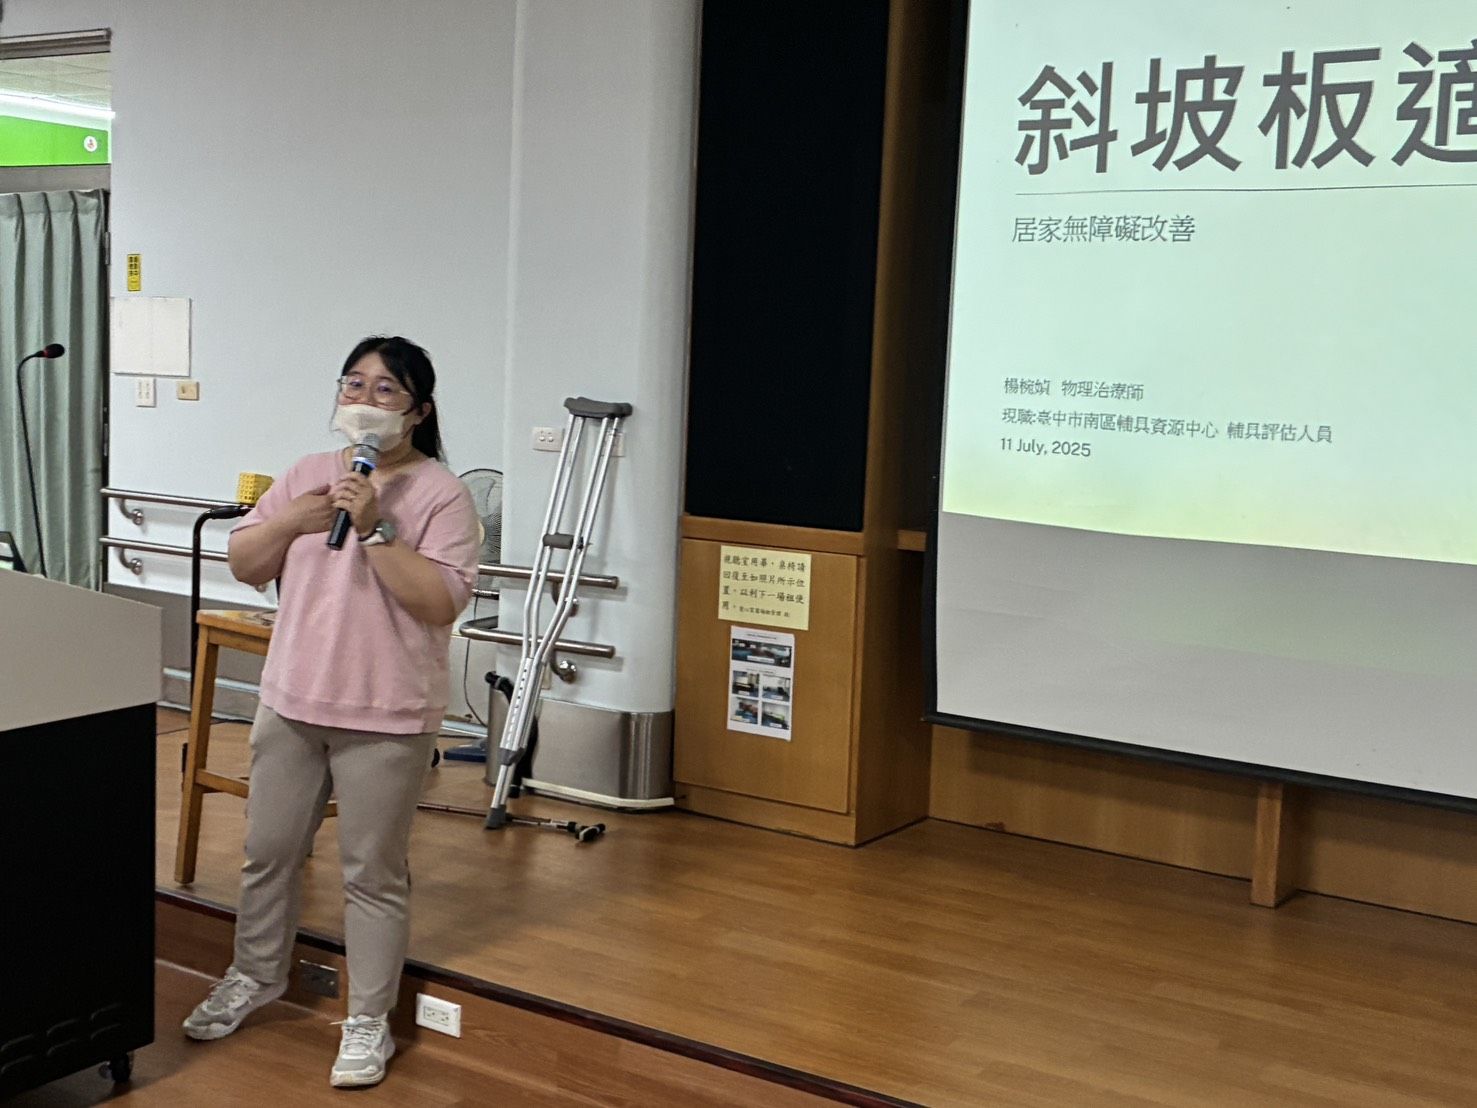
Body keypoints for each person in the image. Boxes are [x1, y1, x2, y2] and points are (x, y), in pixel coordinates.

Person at [181, 336, 480, 1089]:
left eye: (385, 389)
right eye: (354, 384)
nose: (364, 400)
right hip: (291, 700)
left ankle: (368, 1018)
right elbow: (245, 563)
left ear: (419, 411)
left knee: (371, 873)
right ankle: (256, 974)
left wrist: (375, 527)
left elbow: (439, 602)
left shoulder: (442, 493)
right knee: (268, 852)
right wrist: (292, 522)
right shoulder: (308, 475)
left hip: (386, 715)